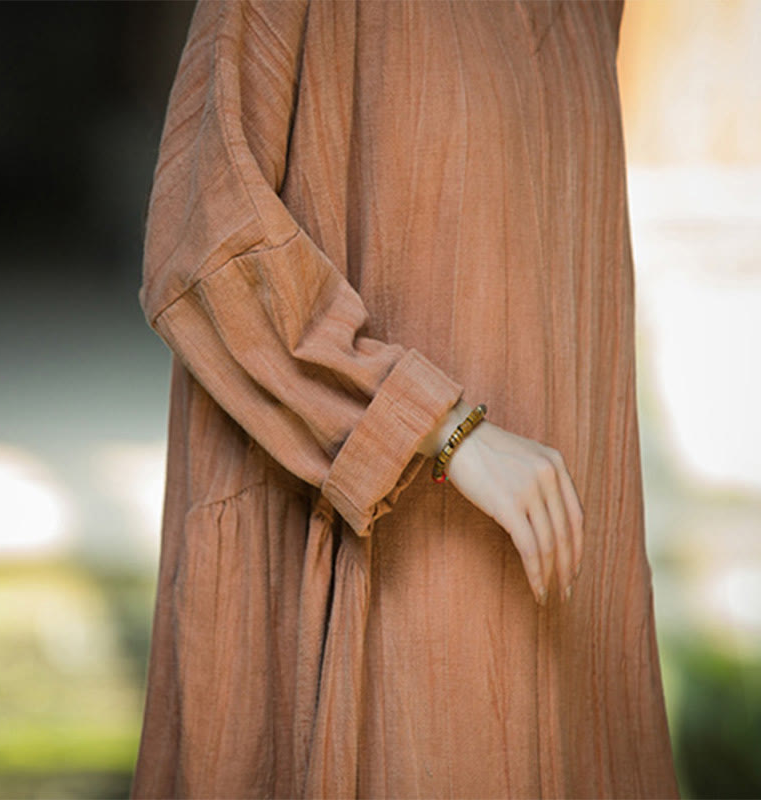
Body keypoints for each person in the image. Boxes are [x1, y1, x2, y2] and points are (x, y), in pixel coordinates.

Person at [130, 1, 680, 797]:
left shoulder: (590, 15)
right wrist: (442, 427)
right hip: (383, 578)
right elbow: (206, 234)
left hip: (558, 622)